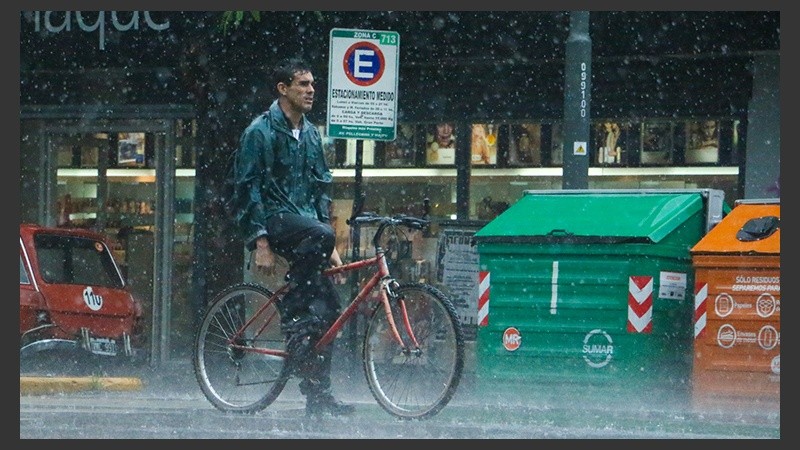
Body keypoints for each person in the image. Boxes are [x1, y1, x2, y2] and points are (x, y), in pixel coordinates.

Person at [231, 57, 354, 417]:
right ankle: (296, 316)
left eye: (312, 84)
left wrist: (327, 245)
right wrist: (260, 240)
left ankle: (318, 394)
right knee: (310, 306)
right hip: (275, 219)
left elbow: (321, 188)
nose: (311, 90)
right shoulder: (260, 131)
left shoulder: (312, 133)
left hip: (307, 227)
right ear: (283, 89)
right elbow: (247, 187)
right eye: (302, 84)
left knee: (330, 312)